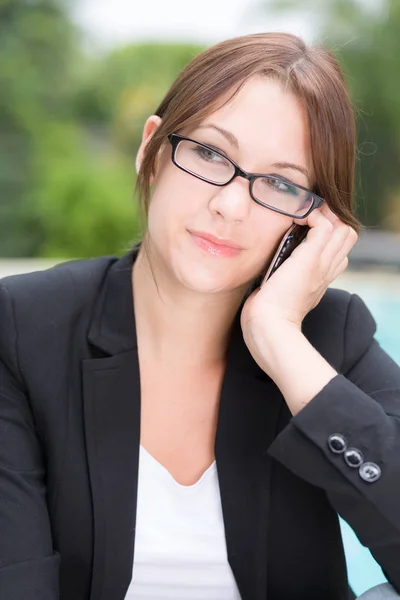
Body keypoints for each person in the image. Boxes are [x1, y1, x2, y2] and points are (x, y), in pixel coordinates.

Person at [0, 32, 399, 600]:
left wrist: (279, 340)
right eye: (211, 153)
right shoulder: (23, 328)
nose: (230, 205)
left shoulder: (329, 338)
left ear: (311, 221)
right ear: (153, 151)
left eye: (281, 184)